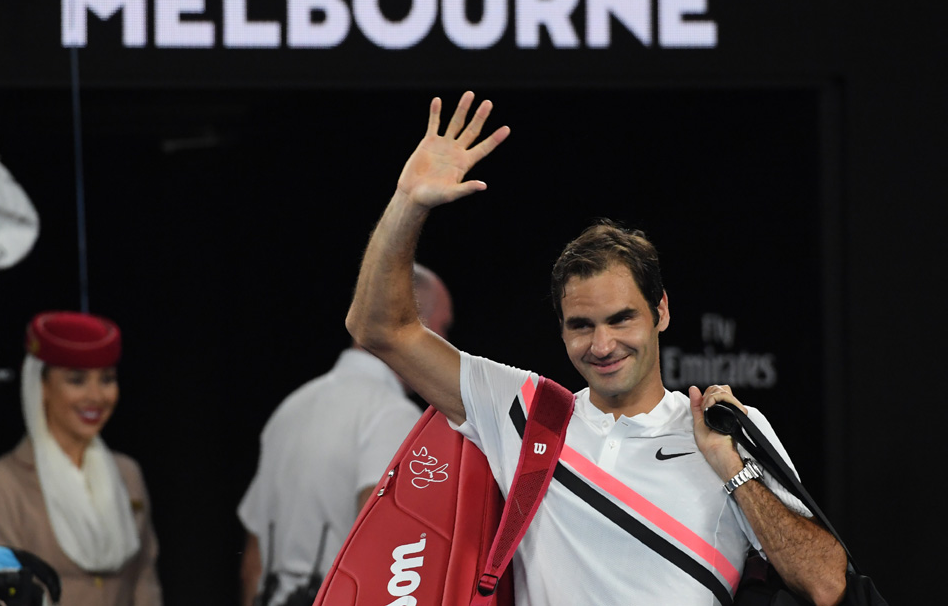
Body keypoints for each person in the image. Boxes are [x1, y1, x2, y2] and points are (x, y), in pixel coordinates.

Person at [344, 92, 849, 605]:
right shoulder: (523, 411)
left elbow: (826, 584)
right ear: (561, 330)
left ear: (661, 312)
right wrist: (407, 203)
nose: (602, 345)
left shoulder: (728, 432)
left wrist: (733, 469)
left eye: (621, 318)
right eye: (581, 325)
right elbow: (379, 328)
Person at [237, 264, 453, 606]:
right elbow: (384, 553)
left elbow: (253, 564)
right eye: (442, 329)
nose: (447, 346)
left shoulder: (290, 408)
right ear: (415, 325)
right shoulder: (393, 416)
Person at [0, 311, 163, 606]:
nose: (97, 396)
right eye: (77, 380)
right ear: (41, 386)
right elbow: (0, 593)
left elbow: (145, 583)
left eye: (107, 379)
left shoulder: (127, 473)